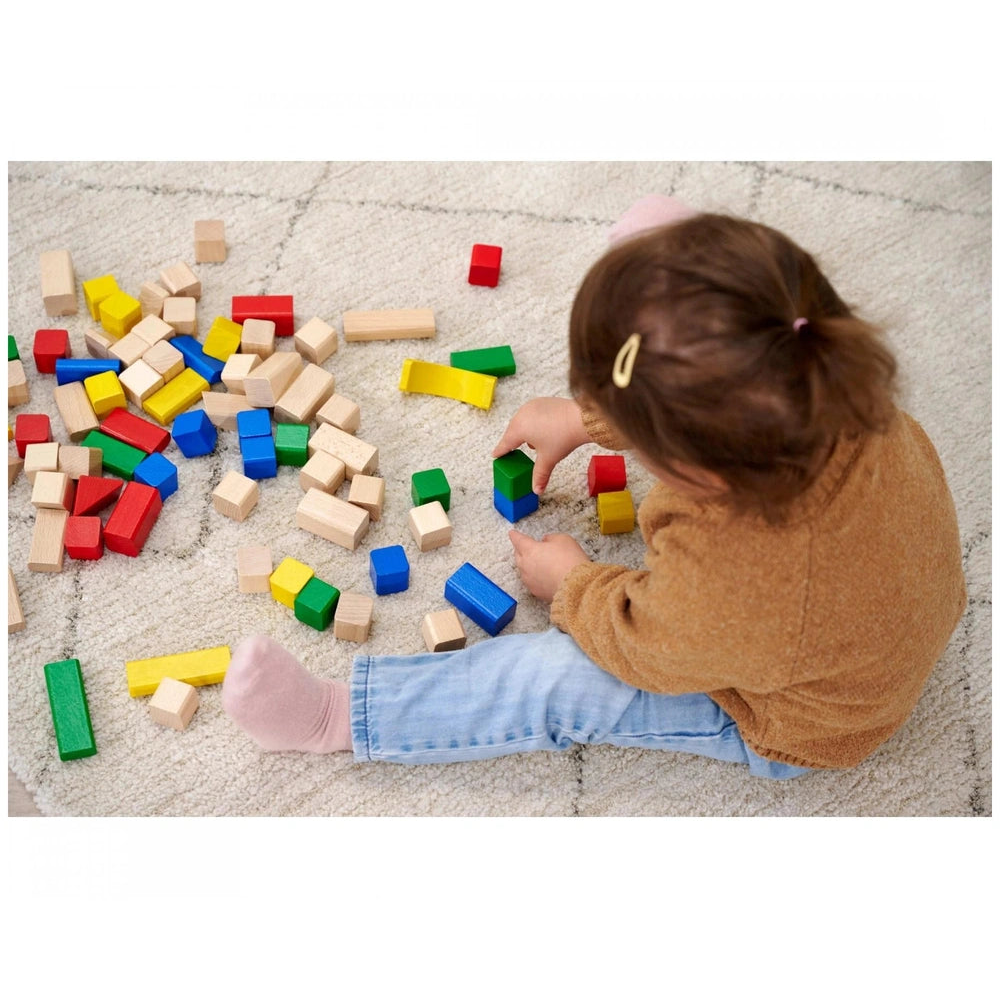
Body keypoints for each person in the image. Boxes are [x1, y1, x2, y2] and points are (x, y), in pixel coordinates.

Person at [221, 195, 967, 779]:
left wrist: (575, 585)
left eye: (623, 421)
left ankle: (338, 718)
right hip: (864, 622)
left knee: (559, 677)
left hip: (800, 720)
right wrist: (587, 421)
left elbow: (654, 646)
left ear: (700, 471)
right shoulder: (830, 384)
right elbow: (706, 393)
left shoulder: (744, 578)